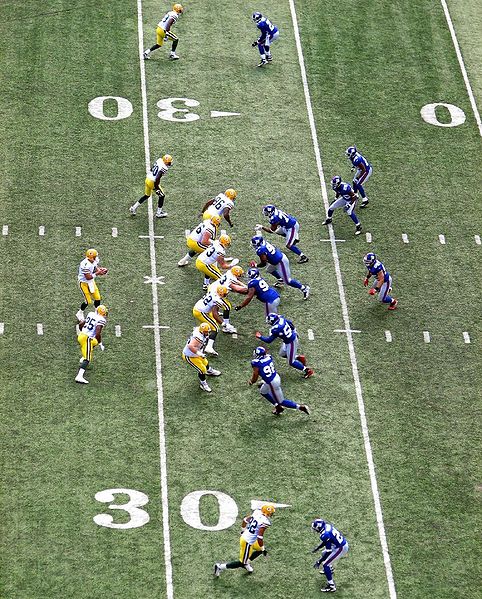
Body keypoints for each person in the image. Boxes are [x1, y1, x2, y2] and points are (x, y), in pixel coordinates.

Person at [214, 504, 275, 575]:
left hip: (249, 538)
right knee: (241, 563)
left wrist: (243, 530)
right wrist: (263, 549)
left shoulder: (257, 513)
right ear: (266, 513)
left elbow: (245, 520)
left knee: (259, 550)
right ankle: (220, 566)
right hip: (247, 542)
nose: (271, 515)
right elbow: (260, 537)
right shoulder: (265, 522)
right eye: (271, 513)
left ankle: (246, 563)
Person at [249, 347, 310, 415]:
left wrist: (252, 381)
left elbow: (255, 374)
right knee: (263, 391)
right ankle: (278, 407)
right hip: (275, 376)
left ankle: (301, 407)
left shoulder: (255, 362)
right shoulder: (269, 357)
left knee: (281, 401)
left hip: (271, 382)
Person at [256, 313, 314, 378]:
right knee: (282, 354)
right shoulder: (281, 319)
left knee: (291, 362)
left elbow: (269, 340)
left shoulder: (276, 329)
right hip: (288, 340)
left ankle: (307, 370)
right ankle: (299, 357)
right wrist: (294, 330)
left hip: (291, 342)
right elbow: (289, 323)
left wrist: (260, 337)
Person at [311, 519, 349, 593]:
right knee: (323, 553)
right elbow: (327, 541)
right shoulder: (327, 527)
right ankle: (330, 570)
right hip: (337, 544)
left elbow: (329, 551)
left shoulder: (325, 534)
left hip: (340, 548)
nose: (315, 530)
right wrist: (318, 548)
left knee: (325, 564)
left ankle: (331, 586)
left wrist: (319, 561)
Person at [129, 154, 173, 218]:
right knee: (162, 196)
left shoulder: (159, 160)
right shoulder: (164, 168)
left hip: (147, 179)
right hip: (152, 182)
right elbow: (157, 178)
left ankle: (133, 208)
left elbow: (152, 169)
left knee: (147, 195)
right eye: (169, 162)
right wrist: (157, 187)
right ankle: (159, 213)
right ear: (166, 162)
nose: (170, 163)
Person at [182, 322, 221, 393]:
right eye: (206, 332)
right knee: (202, 369)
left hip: (196, 352)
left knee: (205, 362)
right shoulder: (198, 338)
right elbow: (190, 346)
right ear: (202, 332)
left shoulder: (199, 331)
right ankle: (203, 384)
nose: (207, 333)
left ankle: (209, 371)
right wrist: (198, 353)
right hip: (189, 355)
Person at [208, 265, 246, 334]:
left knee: (222, 306)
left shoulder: (229, 273)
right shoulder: (231, 279)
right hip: (216, 293)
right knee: (226, 307)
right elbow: (237, 289)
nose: (241, 275)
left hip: (213, 287)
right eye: (240, 274)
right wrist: (247, 288)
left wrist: (244, 285)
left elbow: (237, 281)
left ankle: (222, 322)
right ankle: (226, 326)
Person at [192, 286, 229, 356]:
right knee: (215, 328)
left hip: (199, 308)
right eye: (224, 294)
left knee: (211, 324)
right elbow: (215, 314)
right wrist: (223, 323)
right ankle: (209, 347)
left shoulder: (213, 292)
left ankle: (203, 340)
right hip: (200, 312)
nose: (226, 295)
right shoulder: (217, 300)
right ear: (220, 294)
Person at [75, 305, 108, 384]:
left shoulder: (91, 314)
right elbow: (97, 333)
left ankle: (83, 356)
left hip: (81, 336)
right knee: (88, 359)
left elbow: (81, 323)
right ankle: (79, 376)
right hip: (88, 338)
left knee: (94, 342)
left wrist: (82, 331)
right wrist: (100, 343)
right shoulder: (101, 319)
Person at [77, 249, 108, 321]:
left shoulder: (93, 261)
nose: (96, 257)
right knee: (88, 301)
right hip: (84, 283)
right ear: (91, 257)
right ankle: (80, 313)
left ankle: (97, 314)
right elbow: (88, 277)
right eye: (95, 256)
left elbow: (94, 268)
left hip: (91, 282)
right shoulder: (85, 264)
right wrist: (98, 273)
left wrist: (101, 270)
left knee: (97, 298)